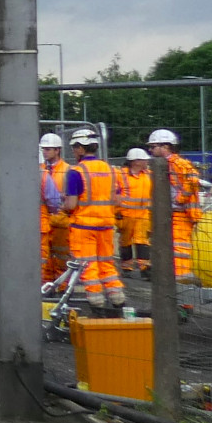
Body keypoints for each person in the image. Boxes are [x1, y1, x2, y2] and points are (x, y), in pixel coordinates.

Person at [61, 128, 126, 313]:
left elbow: (71, 204)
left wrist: (63, 206)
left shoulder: (76, 172)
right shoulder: (111, 169)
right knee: (106, 264)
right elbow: (117, 200)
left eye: (74, 148)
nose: (73, 151)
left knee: (88, 267)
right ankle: (118, 301)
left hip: (83, 226)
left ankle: (97, 306)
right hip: (105, 225)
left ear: (81, 149)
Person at [147, 129, 203, 279]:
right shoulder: (164, 164)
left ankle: (182, 282)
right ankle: (175, 280)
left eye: (153, 146)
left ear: (165, 146)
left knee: (180, 250)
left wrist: (181, 198)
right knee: (170, 248)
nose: (150, 150)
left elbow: (193, 180)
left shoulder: (178, 163)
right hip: (171, 213)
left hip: (181, 214)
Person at [39, 132, 73, 284]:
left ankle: (61, 285)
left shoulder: (68, 170)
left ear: (57, 150)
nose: (45, 152)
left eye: (48, 149)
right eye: (43, 149)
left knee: (61, 256)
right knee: (44, 257)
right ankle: (46, 285)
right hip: (46, 220)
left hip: (61, 221)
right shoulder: (40, 170)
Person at [114, 147, 152, 274]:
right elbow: (115, 194)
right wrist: (117, 212)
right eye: (144, 160)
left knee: (142, 241)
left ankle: (145, 268)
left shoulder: (148, 174)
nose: (147, 162)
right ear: (136, 161)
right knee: (126, 241)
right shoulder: (120, 175)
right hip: (125, 215)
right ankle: (127, 267)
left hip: (143, 214)